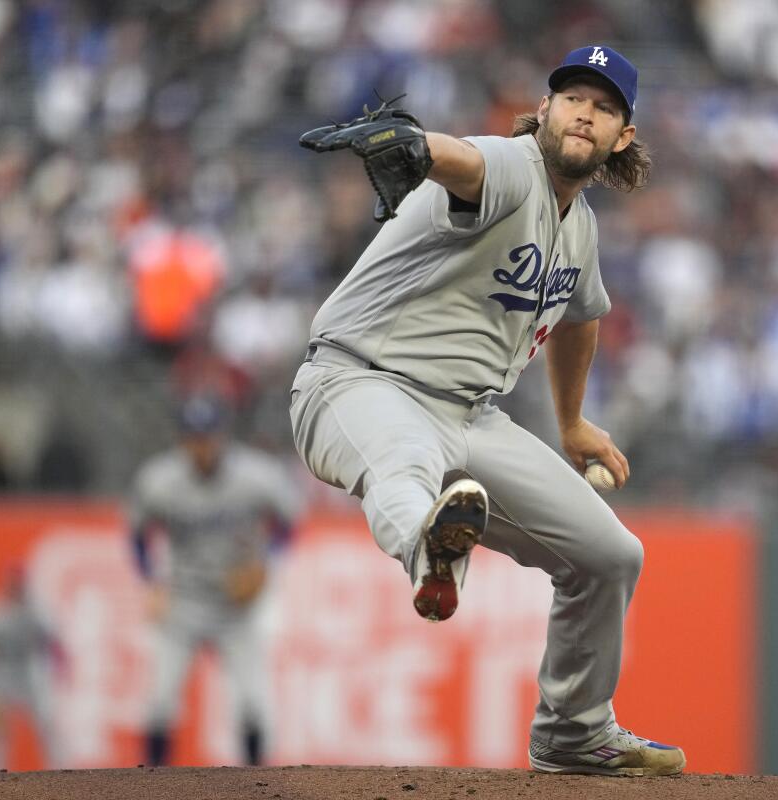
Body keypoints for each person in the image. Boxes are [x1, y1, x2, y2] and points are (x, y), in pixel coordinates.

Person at [289, 45, 685, 776]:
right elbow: (460, 161)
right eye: (572, 97)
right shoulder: (510, 166)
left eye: (602, 107)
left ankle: (573, 733)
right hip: (360, 383)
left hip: (471, 418)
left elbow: (581, 313)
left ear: (621, 137)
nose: (583, 113)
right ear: (545, 108)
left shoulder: (581, 227)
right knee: (405, 470)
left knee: (610, 557)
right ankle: (431, 551)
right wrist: (414, 146)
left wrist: (570, 423)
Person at [129, 396, 302, 767]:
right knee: (159, 702)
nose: (201, 446)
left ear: (222, 436)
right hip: (183, 600)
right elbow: (137, 536)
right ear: (181, 439)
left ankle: (258, 789)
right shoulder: (160, 479)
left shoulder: (256, 475)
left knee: (254, 705)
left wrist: (267, 563)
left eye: (207, 436)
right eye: (193, 437)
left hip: (236, 603)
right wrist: (150, 582)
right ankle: (149, 789)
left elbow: (289, 522)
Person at [0, 564, 66, 772]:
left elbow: (54, 641)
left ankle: (60, 774)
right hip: (0, 672)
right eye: (11, 583)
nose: (15, 587)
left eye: (18, 583)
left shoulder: (38, 608)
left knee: (47, 725)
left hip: (30, 669)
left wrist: (59, 672)